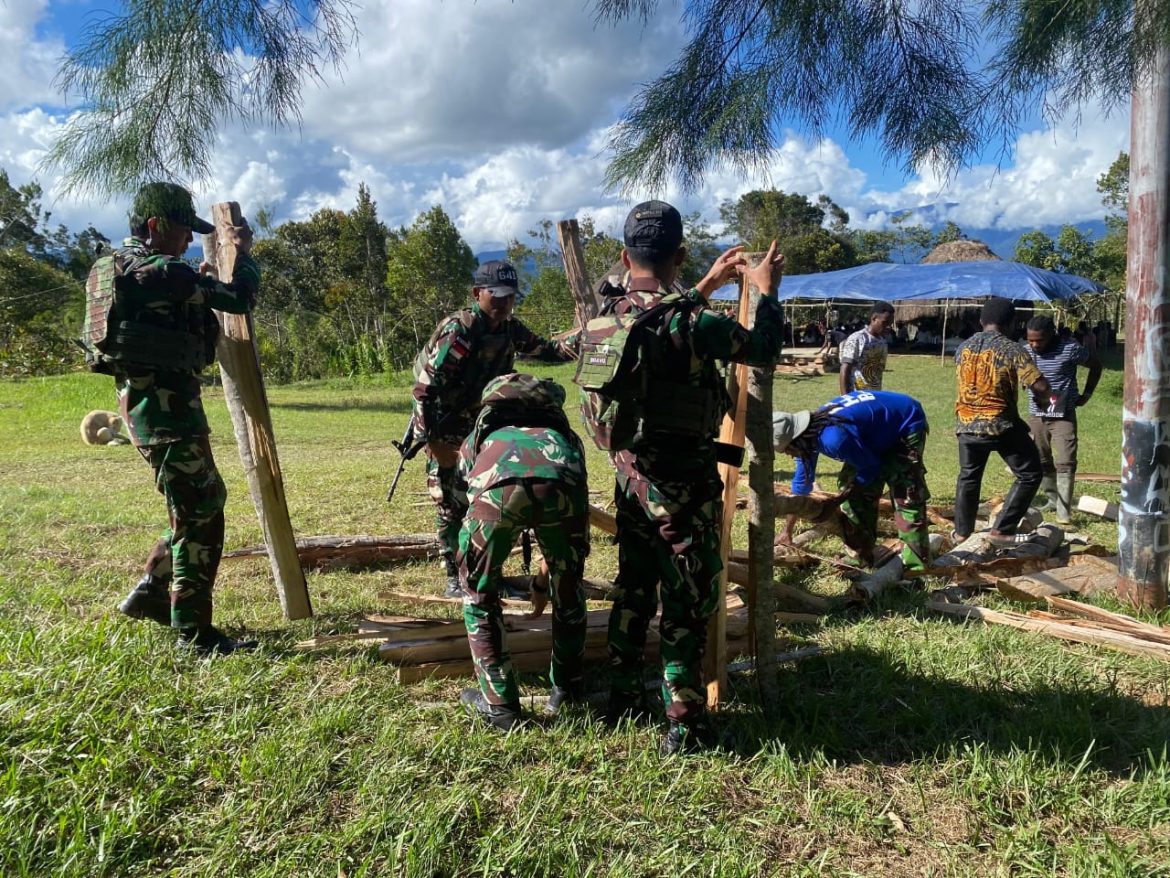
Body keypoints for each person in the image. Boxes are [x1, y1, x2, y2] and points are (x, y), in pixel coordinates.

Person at [601, 200, 785, 755]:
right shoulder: (699, 323)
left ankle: (622, 697)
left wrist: (706, 283)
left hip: (632, 481)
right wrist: (766, 290)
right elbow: (765, 349)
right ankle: (684, 726)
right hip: (686, 487)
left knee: (633, 588)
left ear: (623, 255)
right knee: (684, 604)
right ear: (679, 254)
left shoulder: (606, 319)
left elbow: (653, 323)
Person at [103, 183, 259, 655]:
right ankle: (193, 633)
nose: (190, 242)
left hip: (151, 406)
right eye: (183, 231)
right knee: (201, 513)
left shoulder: (123, 265)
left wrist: (192, 282)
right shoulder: (160, 270)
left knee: (197, 503)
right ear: (155, 227)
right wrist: (245, 254)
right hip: (166, 412)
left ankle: (152, 592)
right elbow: (238, 298)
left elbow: (165, 302)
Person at [411, 260, 577, 599]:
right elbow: (424, 390)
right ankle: (454, 576)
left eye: (510, 297)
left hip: (486, 432)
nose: (504, 304)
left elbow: (547, 350)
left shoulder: (509, 329)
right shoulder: (459, 331)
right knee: (450, 505)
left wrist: (588, 338)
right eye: (496, 296)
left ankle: (486, 571)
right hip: (447, 431)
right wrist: (432, 443)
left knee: (486, 505)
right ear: (478, 293)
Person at [454, 373, 590, 731]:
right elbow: (567, 506)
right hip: (561, 486)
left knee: (479, 595)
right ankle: (567, 688)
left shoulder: (480, 434)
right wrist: (547, 583)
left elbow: (465, 488)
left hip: (495, 492)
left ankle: (501, 707)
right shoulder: (565, 436)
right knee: (570, 588)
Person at [773, 390, 931, 571]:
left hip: (905, 423)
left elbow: (872, 468)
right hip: (876, 433)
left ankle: (916, 569)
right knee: (851, 488)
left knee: (906, 494)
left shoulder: (834, 438)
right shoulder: (808, 436)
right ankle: (861, 554)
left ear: (795, 440)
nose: (787, 454)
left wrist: (838, 499)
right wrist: (787, 531)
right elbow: (800, 488)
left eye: (786, 450)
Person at [952, 297, 1053, 543]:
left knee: (969, 477)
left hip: (965, 423)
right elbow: (1040, 386)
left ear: (981, 320)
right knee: (1030, 473)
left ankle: (961, 533)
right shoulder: (1011, 348)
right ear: (1011, 322)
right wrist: (1044, 401)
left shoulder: (962, 347)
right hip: (1000, 424)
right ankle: (1003, 530)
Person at [1024, 316, 1103, 524]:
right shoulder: (1026, 351)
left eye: (1038, 340)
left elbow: (1096, 366)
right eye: (1030, 340)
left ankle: (1063, 511)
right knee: (1041, 457)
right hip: (1037, 414)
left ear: (1051, 334)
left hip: (1063, 415)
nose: (1034, 345)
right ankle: (1051, 498)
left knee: (1066, 460)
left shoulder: (1070, 349)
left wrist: (1087, 394)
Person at [839, 302, 894, 393]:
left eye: (890, 324)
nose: (888, 327)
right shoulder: (857, 338)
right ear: (874, 318)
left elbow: (877, 371)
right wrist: (846, 398)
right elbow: (844, 369)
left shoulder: (883, 342)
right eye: (885, 323)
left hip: (875, 395)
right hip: (857, 396)